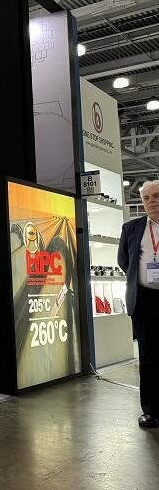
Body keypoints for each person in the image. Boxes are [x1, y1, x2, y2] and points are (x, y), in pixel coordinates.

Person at [118, 179, 159, 429]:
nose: (152, 201)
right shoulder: (131, 228)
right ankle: (151, 411)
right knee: (148, 358)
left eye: (156, 196)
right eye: (147, 198)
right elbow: (124, 261)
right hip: (144, 301)